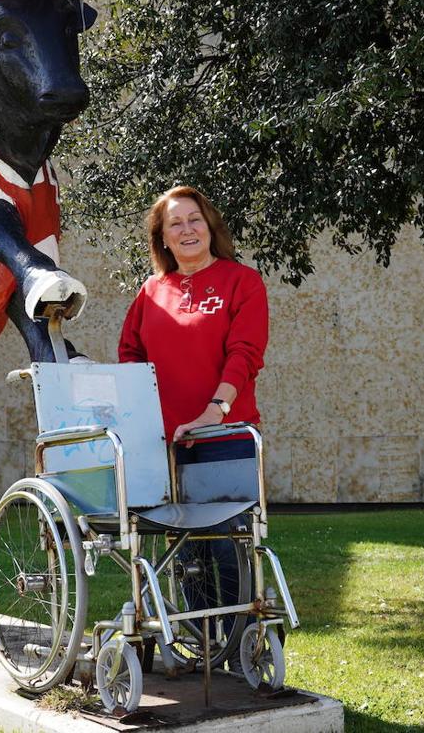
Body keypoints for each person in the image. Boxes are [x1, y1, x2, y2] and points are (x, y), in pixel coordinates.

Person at [118, 184, 269, 667]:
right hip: (166, 444)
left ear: (210, 227)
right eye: (174, 223)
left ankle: (244, 646)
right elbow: (131, 356)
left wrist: (214, 410)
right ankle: (202, 645)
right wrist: (140, 417)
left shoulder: (241, 281)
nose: (186, 229)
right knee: (184, 549)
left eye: (194, 219)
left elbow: (245, 354)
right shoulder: (150, 292)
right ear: (161, 238)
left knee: (229, 543)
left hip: (224, 433)